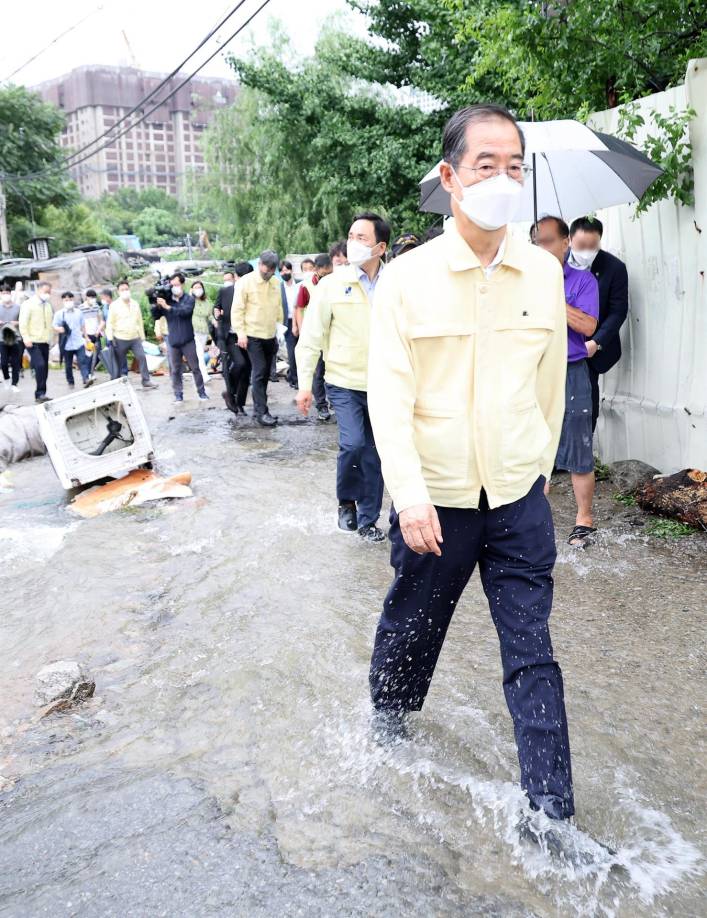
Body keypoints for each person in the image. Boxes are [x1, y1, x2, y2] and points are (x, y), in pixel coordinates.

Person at [367, 105, 574, 832]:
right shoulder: (406, 279)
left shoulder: (542, 273)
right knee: (413, 626)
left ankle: (551, 815)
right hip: (437, 502)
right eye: (486, 164)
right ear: (449, 176)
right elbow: (388, 401)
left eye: (514, 165)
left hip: (518, 498)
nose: (503, 178)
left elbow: (550, 384)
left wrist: (538, 471)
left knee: (532, 653)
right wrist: (410, 496)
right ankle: (387, 721)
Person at [297, 213, 390, 542]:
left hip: (385, 384)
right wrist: (305, 385)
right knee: (352, 443)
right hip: (343, 381)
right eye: (351, 235)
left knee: (375, 453)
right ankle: (346, 502)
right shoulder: (334, 284)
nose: (353, 243)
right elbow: (310, 336)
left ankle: (368, 520)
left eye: (361, 238)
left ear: (380, 246)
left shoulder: (395, 284)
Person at [532, 216, 600, 547]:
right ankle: (532, 519)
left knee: (578, 444)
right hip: (533, 369)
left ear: (564, 243)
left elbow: (588, 326)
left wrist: (554, 300)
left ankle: (584, 519)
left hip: (571, 370)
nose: (541, 248)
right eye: (536, 242)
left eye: (547, 241)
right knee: (533, 443)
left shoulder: (583, 282)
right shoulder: (522, 282)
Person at [568, 216, 629, 431]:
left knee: (587, 405)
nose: (586, 251)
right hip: (561, 346)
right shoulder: (554, 265)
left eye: (592, 246)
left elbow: (618, 311)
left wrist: (597, 342)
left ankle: (583, 456)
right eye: (581, 246)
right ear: (569, 240)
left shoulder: (614, 268)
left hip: (590, 351)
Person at [231, 251, 282, 426]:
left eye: (272, 271)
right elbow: (237, 309)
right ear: (260, 264)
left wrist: (280, 329)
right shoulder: (245, 282)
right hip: (252, 335)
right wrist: (241, 333)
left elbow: (278, 307)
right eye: (267, 270)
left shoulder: (275, 282)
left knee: (265, 373)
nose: (269, 274)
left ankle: (258, 409)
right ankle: (262, 412)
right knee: (259, 372)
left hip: (270, 335)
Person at [151, 273, 208, 404]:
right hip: (173, 341)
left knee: (195, 367)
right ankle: (178, 395)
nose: (174, 287)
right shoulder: (167, 300)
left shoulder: (189, 299)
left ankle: (202, 392)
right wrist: (155, 303)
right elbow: (156, 316)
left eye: (177, 284)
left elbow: (185, 312)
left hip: (188, 340)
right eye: (172, 285)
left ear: (182, 284)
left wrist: (167, 307)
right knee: (175, 370)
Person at [293, 253, 333, 422]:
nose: (326, 276)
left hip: (332, 334)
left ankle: (336, 403)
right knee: (317, 373)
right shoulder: (307, 286)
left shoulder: (336, 282)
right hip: (315, 334)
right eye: (324, 273)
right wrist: (302, 330)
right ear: (317, 270)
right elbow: (299, 308)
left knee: (329, 370)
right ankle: (322, 406)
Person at [215, 263, 253, 415]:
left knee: (247, 370)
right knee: (240, 363)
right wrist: (216, 313)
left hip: (250, 335)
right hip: (231, 335)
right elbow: (216, 307)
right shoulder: (225, 291)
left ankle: (240, 404)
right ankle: (229, 391)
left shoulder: (254, 292)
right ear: (236, 277)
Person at [105, 281, 157, 390]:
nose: (125, 291)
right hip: (120, 338)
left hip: (135, 337)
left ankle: (146, 380)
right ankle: (115, 382)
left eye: (126, 289)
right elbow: (109, 323)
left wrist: (142, 337)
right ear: (118, 292)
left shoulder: (135, 304)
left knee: (142, 357)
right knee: (118, 362)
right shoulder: (114, 306)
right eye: (122, 290)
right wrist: (109, 338)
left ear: (129, 290)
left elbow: (139, 321)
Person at [19, 280, 54, 403]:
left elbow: (49, 323)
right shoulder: (28, 304)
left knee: (45, 369)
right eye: (46, 292)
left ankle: (42, 393)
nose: (48, 294)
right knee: (40, 365)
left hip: (45, 341)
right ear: (38, 290)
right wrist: (26, 337)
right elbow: (23, 323)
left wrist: (52, 337)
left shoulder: (48, 305)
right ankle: (39, 394)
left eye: (49, 292)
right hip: (32, 341)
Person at [54, 291, 92, 388]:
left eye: (70, 299)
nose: (68, 301)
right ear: (63, 301)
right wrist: (59, 329)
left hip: (78, 342)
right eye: (66, 300)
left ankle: (86, 379)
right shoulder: (59, 314)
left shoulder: (79, 312)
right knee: (68, 365)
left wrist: (86, 337)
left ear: (73, 300)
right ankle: (70, 382)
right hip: (66, 344)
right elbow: (54, 326)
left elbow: (83, 325)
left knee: (82, 360)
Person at [280, 259, 300, 388]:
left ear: (291, 270)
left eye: (286, 270)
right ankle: (294, 378)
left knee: (302, 351)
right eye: (281, 271)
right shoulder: (279, 287)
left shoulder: (300, 284)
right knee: (292, 353)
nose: (284, 272)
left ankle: (300, 377)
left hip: (301, 320)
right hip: (287, 322)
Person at [0, 284, 22, 393]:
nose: (6, 295)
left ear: (11, 293)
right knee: (3, 363)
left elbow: (23, 321)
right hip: (2, 339)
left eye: (7, 293)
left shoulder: (18, 307)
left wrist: (16, 323)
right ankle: (7, 379)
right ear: (0, 294)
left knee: (15, 363)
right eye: (3, 293)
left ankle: (14, 384)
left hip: (15, 339)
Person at [190, 280, 213, 384]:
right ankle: (204, 375)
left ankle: (197, 373)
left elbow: (210, 315)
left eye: (199, 287)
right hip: (192, 330)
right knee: (199, 353)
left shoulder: (207, 302)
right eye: (195, 287)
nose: (198, 289)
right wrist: (190, 295)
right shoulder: (189, 301)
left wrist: (215, 321)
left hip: (203, 331)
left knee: (199, 353)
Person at [80, 288, 104, 380]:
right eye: (91, 297)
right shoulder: (81, 308)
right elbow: (81, 324)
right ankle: (88, 375)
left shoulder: (96, 306)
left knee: (98, 354)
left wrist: (99, 330)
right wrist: (85, 336)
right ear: (87, 297)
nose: (93, 299)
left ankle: (90, 372)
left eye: (94, 297)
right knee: (89, 355)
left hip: (96, 334)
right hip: (87, 335)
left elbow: (101, 320)